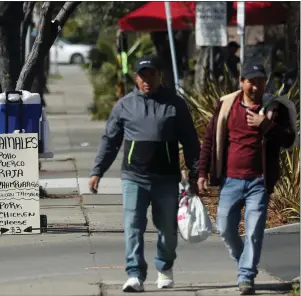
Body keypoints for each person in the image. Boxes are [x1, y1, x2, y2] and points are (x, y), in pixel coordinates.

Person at [89, 56, 201, 292]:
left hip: (166, 178)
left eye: (151, 74)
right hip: (134, 178)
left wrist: (196, 172)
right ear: (135, 78)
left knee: (168, 230)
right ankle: (134, 274)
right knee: (133, 226)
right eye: (142, 75)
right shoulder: (124, 105)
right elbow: (110, 140)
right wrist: (97, 171)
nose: (147, 79)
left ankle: (165, 267)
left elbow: (190, 140)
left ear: (160, 75)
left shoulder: (175, 104)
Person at [197, 62, 297, 295]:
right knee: (224, 228)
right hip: (230, 180)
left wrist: (267, 126)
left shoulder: (274, 108)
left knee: (253, 231)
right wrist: (201, 173)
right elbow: (210, 140)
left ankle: (245, 277)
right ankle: (246, 262)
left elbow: (288, 140)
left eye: (260, 81)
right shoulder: (227, 105)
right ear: (241, 82)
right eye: (251, 81)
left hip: (259, 182)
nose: (255, 86)